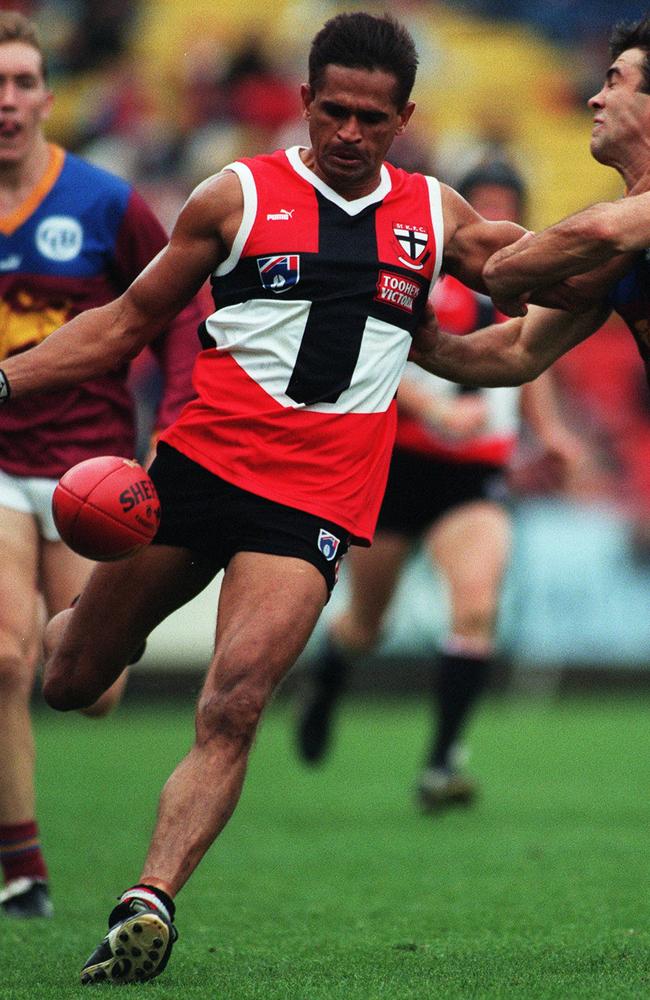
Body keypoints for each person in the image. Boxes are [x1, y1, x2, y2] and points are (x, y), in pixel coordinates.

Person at [0, 11, 568, 984]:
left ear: (404, 119)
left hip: (312, 503)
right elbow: (128, 320)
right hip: (192, 474)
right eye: (332, 112)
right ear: (303, 101)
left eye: (370, 119)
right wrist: (8, 381)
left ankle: (150, 899)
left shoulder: (434, 216)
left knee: (234, 700)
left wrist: (612, 270)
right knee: (71, 679)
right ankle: (77, 626)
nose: (347, 133)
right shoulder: (234, 199)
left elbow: (535, 281)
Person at [295, 160, 582, 811]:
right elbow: (379, 357)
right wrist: (438, 411)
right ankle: (330, 677)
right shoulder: (419, 275)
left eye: (503, 208)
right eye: (478, 207)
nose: (489, 228)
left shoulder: (530, 289)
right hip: (398, 469)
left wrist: (554, 433)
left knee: (477, 607)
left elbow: (527, 364)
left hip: (474, 477)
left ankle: (442, 762)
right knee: (367, 624)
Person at [0, 12, 201, 920]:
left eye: (21, 83)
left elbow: (178, 310)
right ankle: (22, 868)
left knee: (92, 690)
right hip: (1, 465)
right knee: (3, 656)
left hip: (91, 475)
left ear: (48, 94)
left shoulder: (106, 203)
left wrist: (181, 422)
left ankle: (104, 639)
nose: (5, 103)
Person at [411, 17, 650, 399]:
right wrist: (428, 347)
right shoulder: (616, 256)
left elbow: (603, 229)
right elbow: (518, 351)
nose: (595, 98)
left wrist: (504, 272)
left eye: (614, 82)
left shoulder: (612, 236)